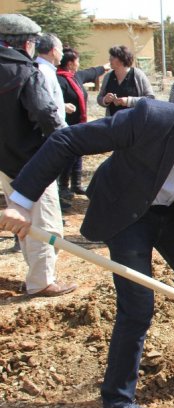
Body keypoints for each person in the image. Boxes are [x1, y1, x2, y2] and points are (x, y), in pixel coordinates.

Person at [0, 82, 174, 408]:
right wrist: (22, 202)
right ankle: (116, 404)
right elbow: (67, 141)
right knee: (138, 305)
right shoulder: (151, 118)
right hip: (127, 213)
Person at [0, 14, 76, 297]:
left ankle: (36, 274)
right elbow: (46, 114)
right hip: (33, 160)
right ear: (27, 43)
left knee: (22, 220)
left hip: (6, 160)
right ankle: (41, 281)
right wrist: (62, 142)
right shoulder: (25, 71)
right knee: (45, 222)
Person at [56, 47, 107, 198]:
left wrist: (106, 67)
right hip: (66, 124)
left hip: (79, 123)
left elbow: (92, 72)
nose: (79, 64)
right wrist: (63, 106)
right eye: (77, 61)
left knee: (78, 152)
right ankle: (63, 185)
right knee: (68, 155)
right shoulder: (58, 79)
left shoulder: (75, 77)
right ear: (71, 63)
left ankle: (76, 184)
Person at [35, 33, 70, 210]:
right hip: (49, 137)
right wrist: (64, 134)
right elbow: (45, 107)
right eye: (61, 49)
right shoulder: (43, 72)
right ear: (54, 50)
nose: (63, 54)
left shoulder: (47, 71)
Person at [97, 45, 154, 116]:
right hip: (113, 123)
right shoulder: (108, 76)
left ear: (122, 59)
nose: (110, 59)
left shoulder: (138, 75)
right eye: (110, 56)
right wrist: (105, 100)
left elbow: (150, 99)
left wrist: (129, 101)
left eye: (113, 57)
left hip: (135, 123)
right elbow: (100, 98)